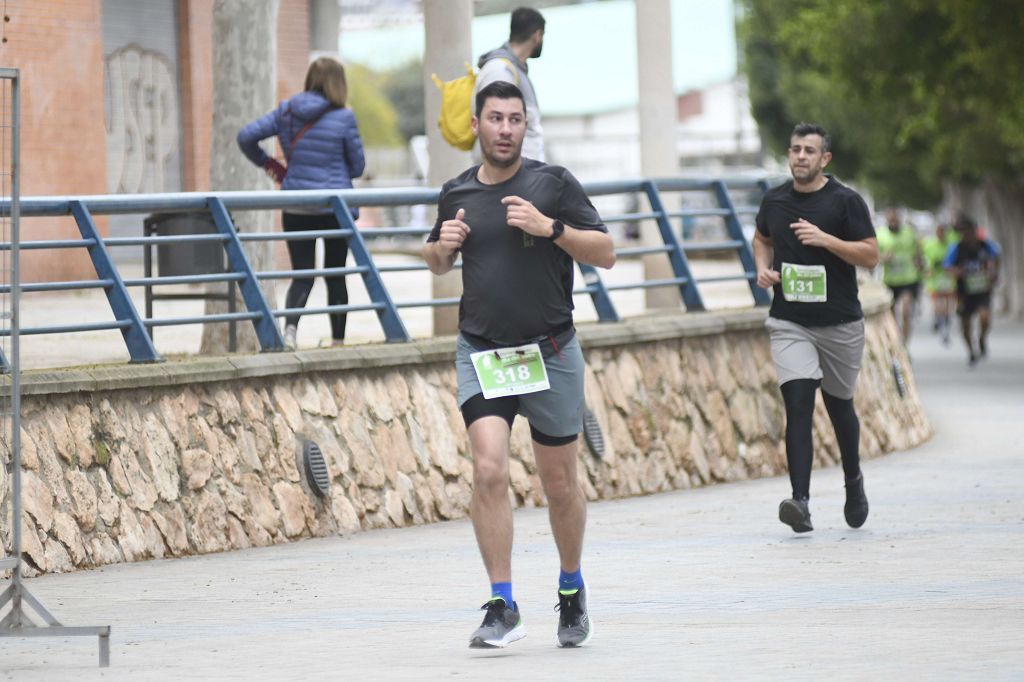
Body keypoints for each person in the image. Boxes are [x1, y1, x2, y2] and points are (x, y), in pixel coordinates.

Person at [422, 81, 615, 648]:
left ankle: (572, 591)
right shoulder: (456, 191)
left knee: (559, 484)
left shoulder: (552, 185)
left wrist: (550, 228)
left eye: (514, 119)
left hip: (550, 352)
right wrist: (443, 245)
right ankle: (502, 603)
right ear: (477, 126)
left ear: (524, 126)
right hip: (483, 352)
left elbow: (606, 252)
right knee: (487, 470)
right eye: (494, 119)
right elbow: (434, 259)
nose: (504, 129)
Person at [753, 122, 879, 534]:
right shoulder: (774, 201)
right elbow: (761, 237)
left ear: (825, 158)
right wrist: (762, 269)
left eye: (809, 150)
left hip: (840, 322)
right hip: (790, 321)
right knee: (798, 405)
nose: (800, 156)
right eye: (794, 149)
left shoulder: (846, 202)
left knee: (839, 405)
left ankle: (854, 483)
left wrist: (827, 240)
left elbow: (871, 255)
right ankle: (800, 502)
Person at [237, 56, 365, 350]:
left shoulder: (287, 112)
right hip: (335, 209)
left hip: (296, 205)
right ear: (339, 83)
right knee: (335, 275)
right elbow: (357, 167)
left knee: (302, 274)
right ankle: (338, 341)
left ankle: (291, 333)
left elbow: (246, 136)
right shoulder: (344, 116)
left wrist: (275, 168)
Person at [474, 7, 546, 162]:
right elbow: (493, 133)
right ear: (537, 35)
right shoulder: (500, 70)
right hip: (508, 179)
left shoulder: (514, 69)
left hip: (524, 177)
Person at [944, 214, 1001, 366]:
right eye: (961, 232)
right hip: (964, 292)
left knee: (984, 317)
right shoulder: (956, 248)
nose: (965, 235)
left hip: (982, 290)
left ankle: (982, 338)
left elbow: (996, 256)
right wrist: (957, 272)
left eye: (967, 231)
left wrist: (994, 274)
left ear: (974, 231)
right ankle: (971, 351)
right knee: (965, 325)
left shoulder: (985, 245)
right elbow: (947, 267)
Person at [876, 209, 923, 345]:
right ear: (886, 221)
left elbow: (917, 251)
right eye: (891, 221)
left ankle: (905, 343)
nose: (893, 223)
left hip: (908, 279)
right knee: (891, 316)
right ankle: (895, 340)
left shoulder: (909, 232)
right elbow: (873, 257)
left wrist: (920, 263)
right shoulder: (880, 234)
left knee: (905, 310)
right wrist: (883, 258)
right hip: (889, 280)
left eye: (896, 220)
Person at [922, 223, 958, 345]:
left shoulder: (952, 245)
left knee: (948, 306)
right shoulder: (929, 244)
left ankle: (946, 328)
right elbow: (925, 260)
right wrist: (927, 269)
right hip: (935, 280)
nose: (940, 234)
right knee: (938, 306)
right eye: (938, 231)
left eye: (942, 231)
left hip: (949, 279)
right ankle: (938, 320)